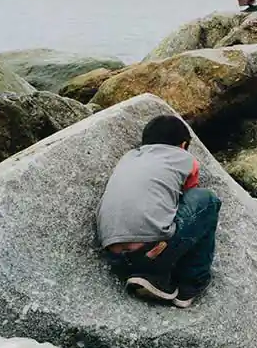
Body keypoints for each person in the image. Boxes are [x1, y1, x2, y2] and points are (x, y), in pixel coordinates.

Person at [95, 114, 221, 308]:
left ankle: (153, 278)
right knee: (207, 201)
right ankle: (190, 285)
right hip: (152, 252)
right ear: (183, 145)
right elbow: (190, 198)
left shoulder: (128, 158)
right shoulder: (186, 159)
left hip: (115, 258)